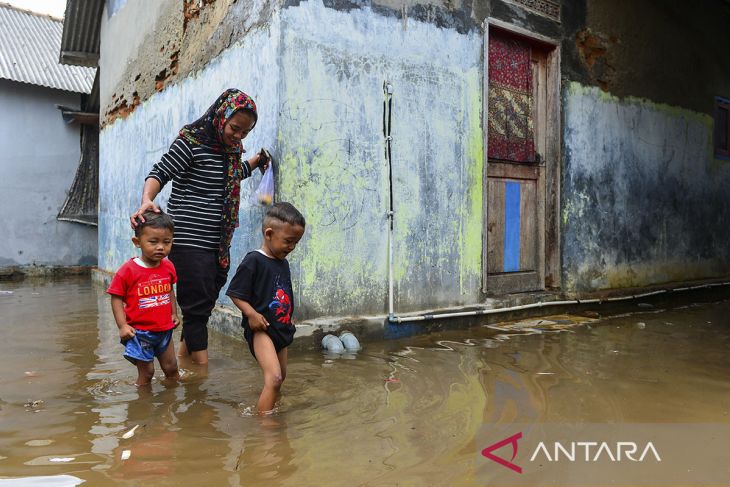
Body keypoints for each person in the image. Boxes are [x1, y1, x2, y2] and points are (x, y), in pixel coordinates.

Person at [130, 89, 270, 365]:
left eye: (245, 132)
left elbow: (231, 175)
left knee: (202, 307)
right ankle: (201, 378)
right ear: (221, 116)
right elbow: (161, 172)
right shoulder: (190, 142)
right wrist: (147, 198)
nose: (238, 136)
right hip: (188, 242)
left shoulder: (230, 152)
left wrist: (254, 162)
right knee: (196, 309)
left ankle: (185, 363)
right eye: (235, 128)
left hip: (217, 245)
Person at [226, 202, 306, 413]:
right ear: (269, 234)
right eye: (288, 241)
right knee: (275, 377)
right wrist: (251, 314)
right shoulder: (254, 260)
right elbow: (235, 292)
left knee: (282, 377)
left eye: (296, 243)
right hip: (261, 329)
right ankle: (264, 427)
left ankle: (272, 409)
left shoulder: (283, 263)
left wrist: (290, 315)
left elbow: (283, 292)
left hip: (281, 327)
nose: (291, 247)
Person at [108, 211, 179, 386]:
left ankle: (173, 404)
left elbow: (169, 290)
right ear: (137, 242)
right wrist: (122, 326)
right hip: (140, 333)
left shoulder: (168, 266)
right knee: (147, 373)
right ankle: (141, 408)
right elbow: (116, 297)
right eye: (153, 242)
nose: (160, 247)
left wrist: (174, 314)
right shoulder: (128, 270)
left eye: (166, 242)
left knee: (171, 368)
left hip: (164, 330)